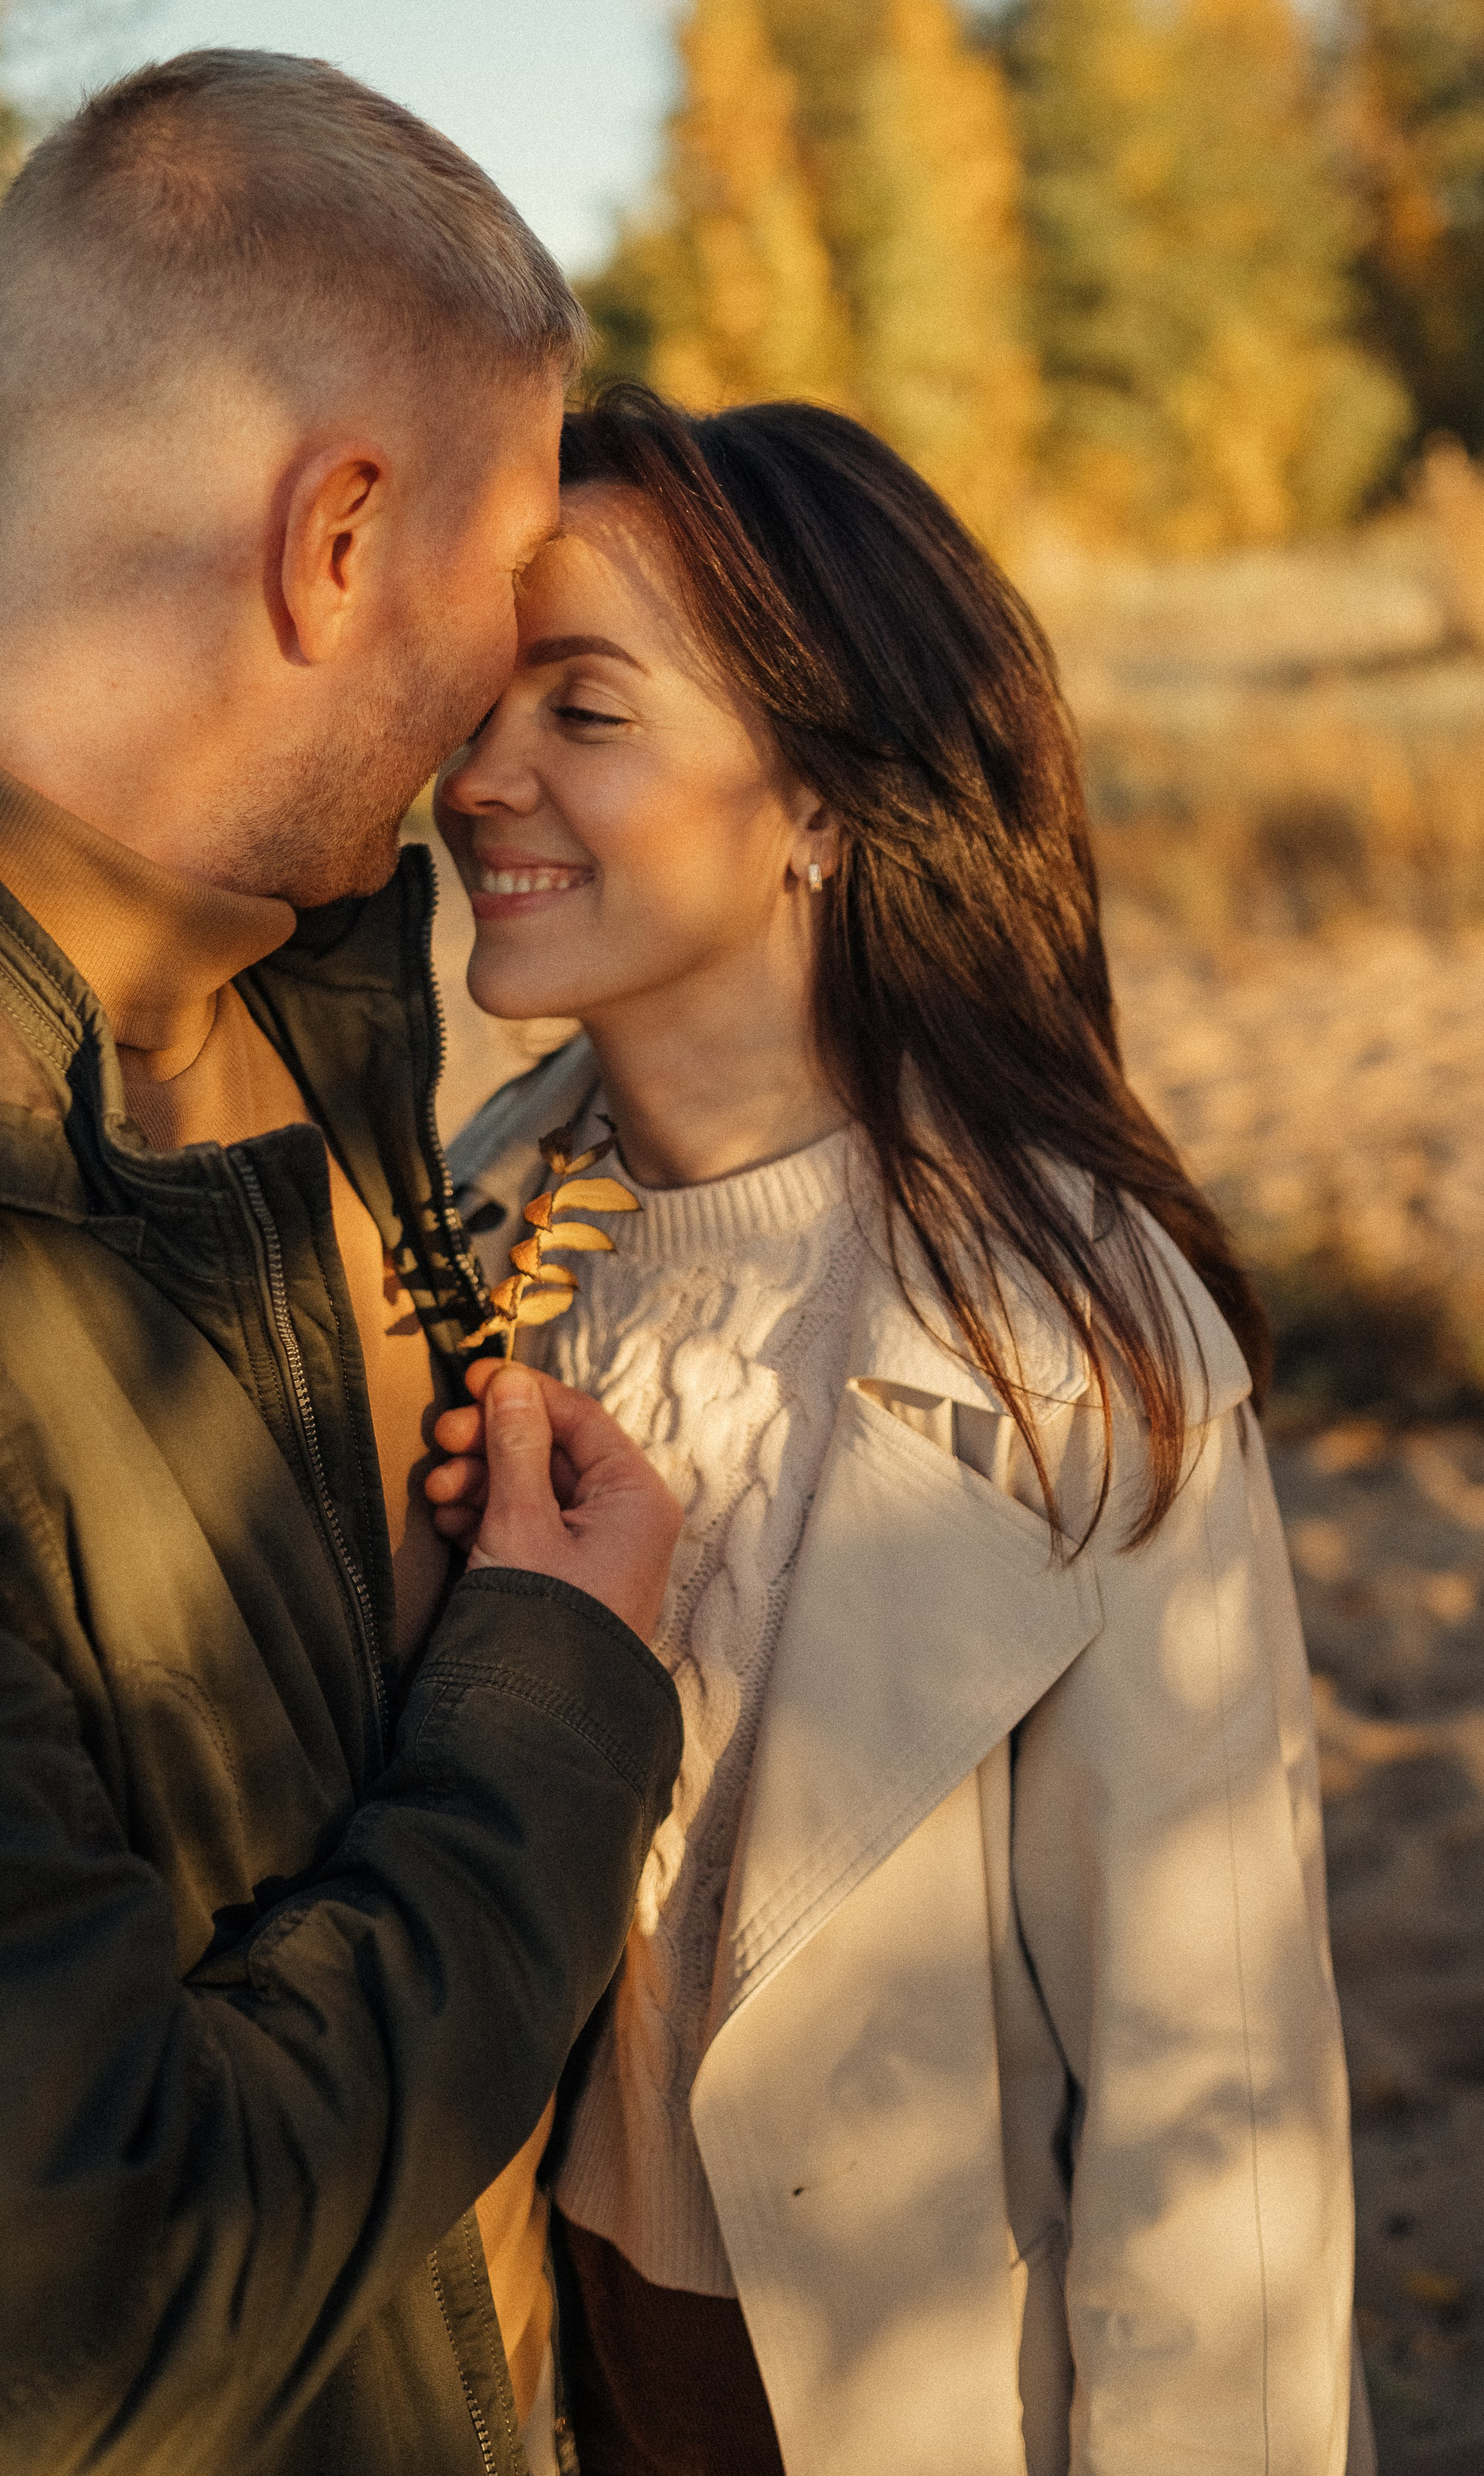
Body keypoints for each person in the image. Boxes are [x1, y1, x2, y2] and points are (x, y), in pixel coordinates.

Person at [432, 384, 1379, 2476]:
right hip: (535, 2373)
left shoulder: (1071, 1334)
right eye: (488, 703)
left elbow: (1207, 2100)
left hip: (913, 2405)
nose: (479, 776)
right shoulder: (457, 1234)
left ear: (821, 809)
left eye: (584, 713)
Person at [0, 58, 685, 2476]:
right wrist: (557, 1704)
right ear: (337, 537)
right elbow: (98, 2303)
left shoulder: (322, 990)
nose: (497, 709)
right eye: (505, 591)